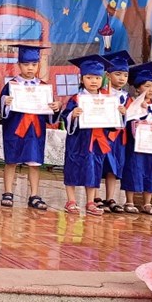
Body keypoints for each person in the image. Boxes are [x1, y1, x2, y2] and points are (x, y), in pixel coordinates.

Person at [0, 44, 60, 210]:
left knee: (35, 162)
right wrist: (4, 102)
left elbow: (50, 115)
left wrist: (55, 107)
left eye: (33, 64)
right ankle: (8, 192)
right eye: (26, 64)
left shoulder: (43, 87)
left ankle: (34, 194)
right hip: (14, 129)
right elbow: (1, 109)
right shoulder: (12, 85)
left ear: (38, 65)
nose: (30, 68)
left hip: (35, 130)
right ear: (19, 65)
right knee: (11, 161)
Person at [61, 54, 115, 216]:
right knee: (72, 167)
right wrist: (73, 115)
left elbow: (113, 123)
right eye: (89, 77)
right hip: (78, 139)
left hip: (97, 139)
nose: (93, 81)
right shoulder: (76, 98)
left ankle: (91, 202)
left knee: (94, 168)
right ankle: (71, 200)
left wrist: (119, 113)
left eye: (97, 78)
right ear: (82, 78)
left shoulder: (107, 99)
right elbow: (66, 116)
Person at [121, 62, 152, 216]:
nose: (151, 90)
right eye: (146, 86)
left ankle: (147, 203)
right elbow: (126, 123)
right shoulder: (132, 105)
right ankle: (129, 201)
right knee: (133, 170)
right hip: (135, 146)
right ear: (138, 88)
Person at [100, 50, 135, 214]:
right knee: (99, 165)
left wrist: (125, 113)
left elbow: (133, 119)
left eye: (125, 75)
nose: (122, 78)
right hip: (101, 136)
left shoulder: (128, 98)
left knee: (113, 168)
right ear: (108, 75)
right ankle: (95, 197)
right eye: (118, 74)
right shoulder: (100, 94)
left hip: (119, 138)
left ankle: (110, 198)